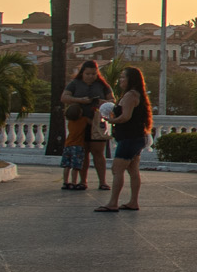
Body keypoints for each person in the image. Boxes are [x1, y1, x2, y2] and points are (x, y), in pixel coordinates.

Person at [98, 67, 151, 213]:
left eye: (123, 77)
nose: (120, 80)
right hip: (136, 137)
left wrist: (111, 121)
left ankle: (113, 203)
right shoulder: (136, 94)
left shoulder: (130, 95)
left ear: (131, 79)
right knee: (133, 170)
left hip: (129, 138)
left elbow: (126, 117)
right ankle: (133, 202)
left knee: (117, 169)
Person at [60, 58, 112, 192]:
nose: (90, 76)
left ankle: (103, 182)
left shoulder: (102, 85)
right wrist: (80, 100)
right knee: (83, 153)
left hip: (97, 123)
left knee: (98, 153)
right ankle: (83, 181)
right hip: (80, 123)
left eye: (93, 74)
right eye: (88, 74)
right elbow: (64, 97)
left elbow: (112, 100)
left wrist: (103, 102)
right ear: (82, 73)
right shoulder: (74, 84)